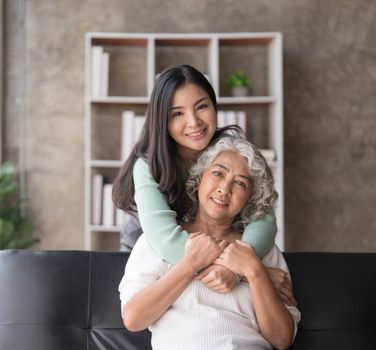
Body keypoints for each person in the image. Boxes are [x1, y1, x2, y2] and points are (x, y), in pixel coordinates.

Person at [113, 64, 292, 300]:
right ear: (161, 121)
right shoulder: (147, 165)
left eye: (202, 107)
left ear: (214, 105)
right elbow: (166, 242)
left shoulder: (230, 149)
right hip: (153, 254)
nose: (194, 122)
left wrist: (237, 271)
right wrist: (251, 273)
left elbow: (264, 219)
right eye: (177, 114)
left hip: (206, 253)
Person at [119, 132, 300, 349]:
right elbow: (133, 318)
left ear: (251, 197)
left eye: (240, 183)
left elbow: (281, 340)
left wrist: (255, 271)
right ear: (199, 178)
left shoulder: (263, 252)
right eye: (217, 173)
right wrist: (189, 265)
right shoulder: (156, 242)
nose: (225, 189)